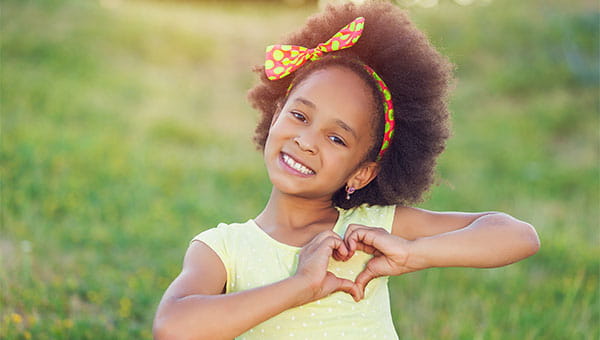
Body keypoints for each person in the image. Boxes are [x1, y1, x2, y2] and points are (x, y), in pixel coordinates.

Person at [153, 2, 540, 339]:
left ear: (362, 173)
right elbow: (174, 328)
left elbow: (517, 235)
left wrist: (414, 253)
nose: (307, 141)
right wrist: (301, 285)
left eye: (337, 139)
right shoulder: (223, 249)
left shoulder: (370, 229)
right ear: (275, 116)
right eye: (300, 115)